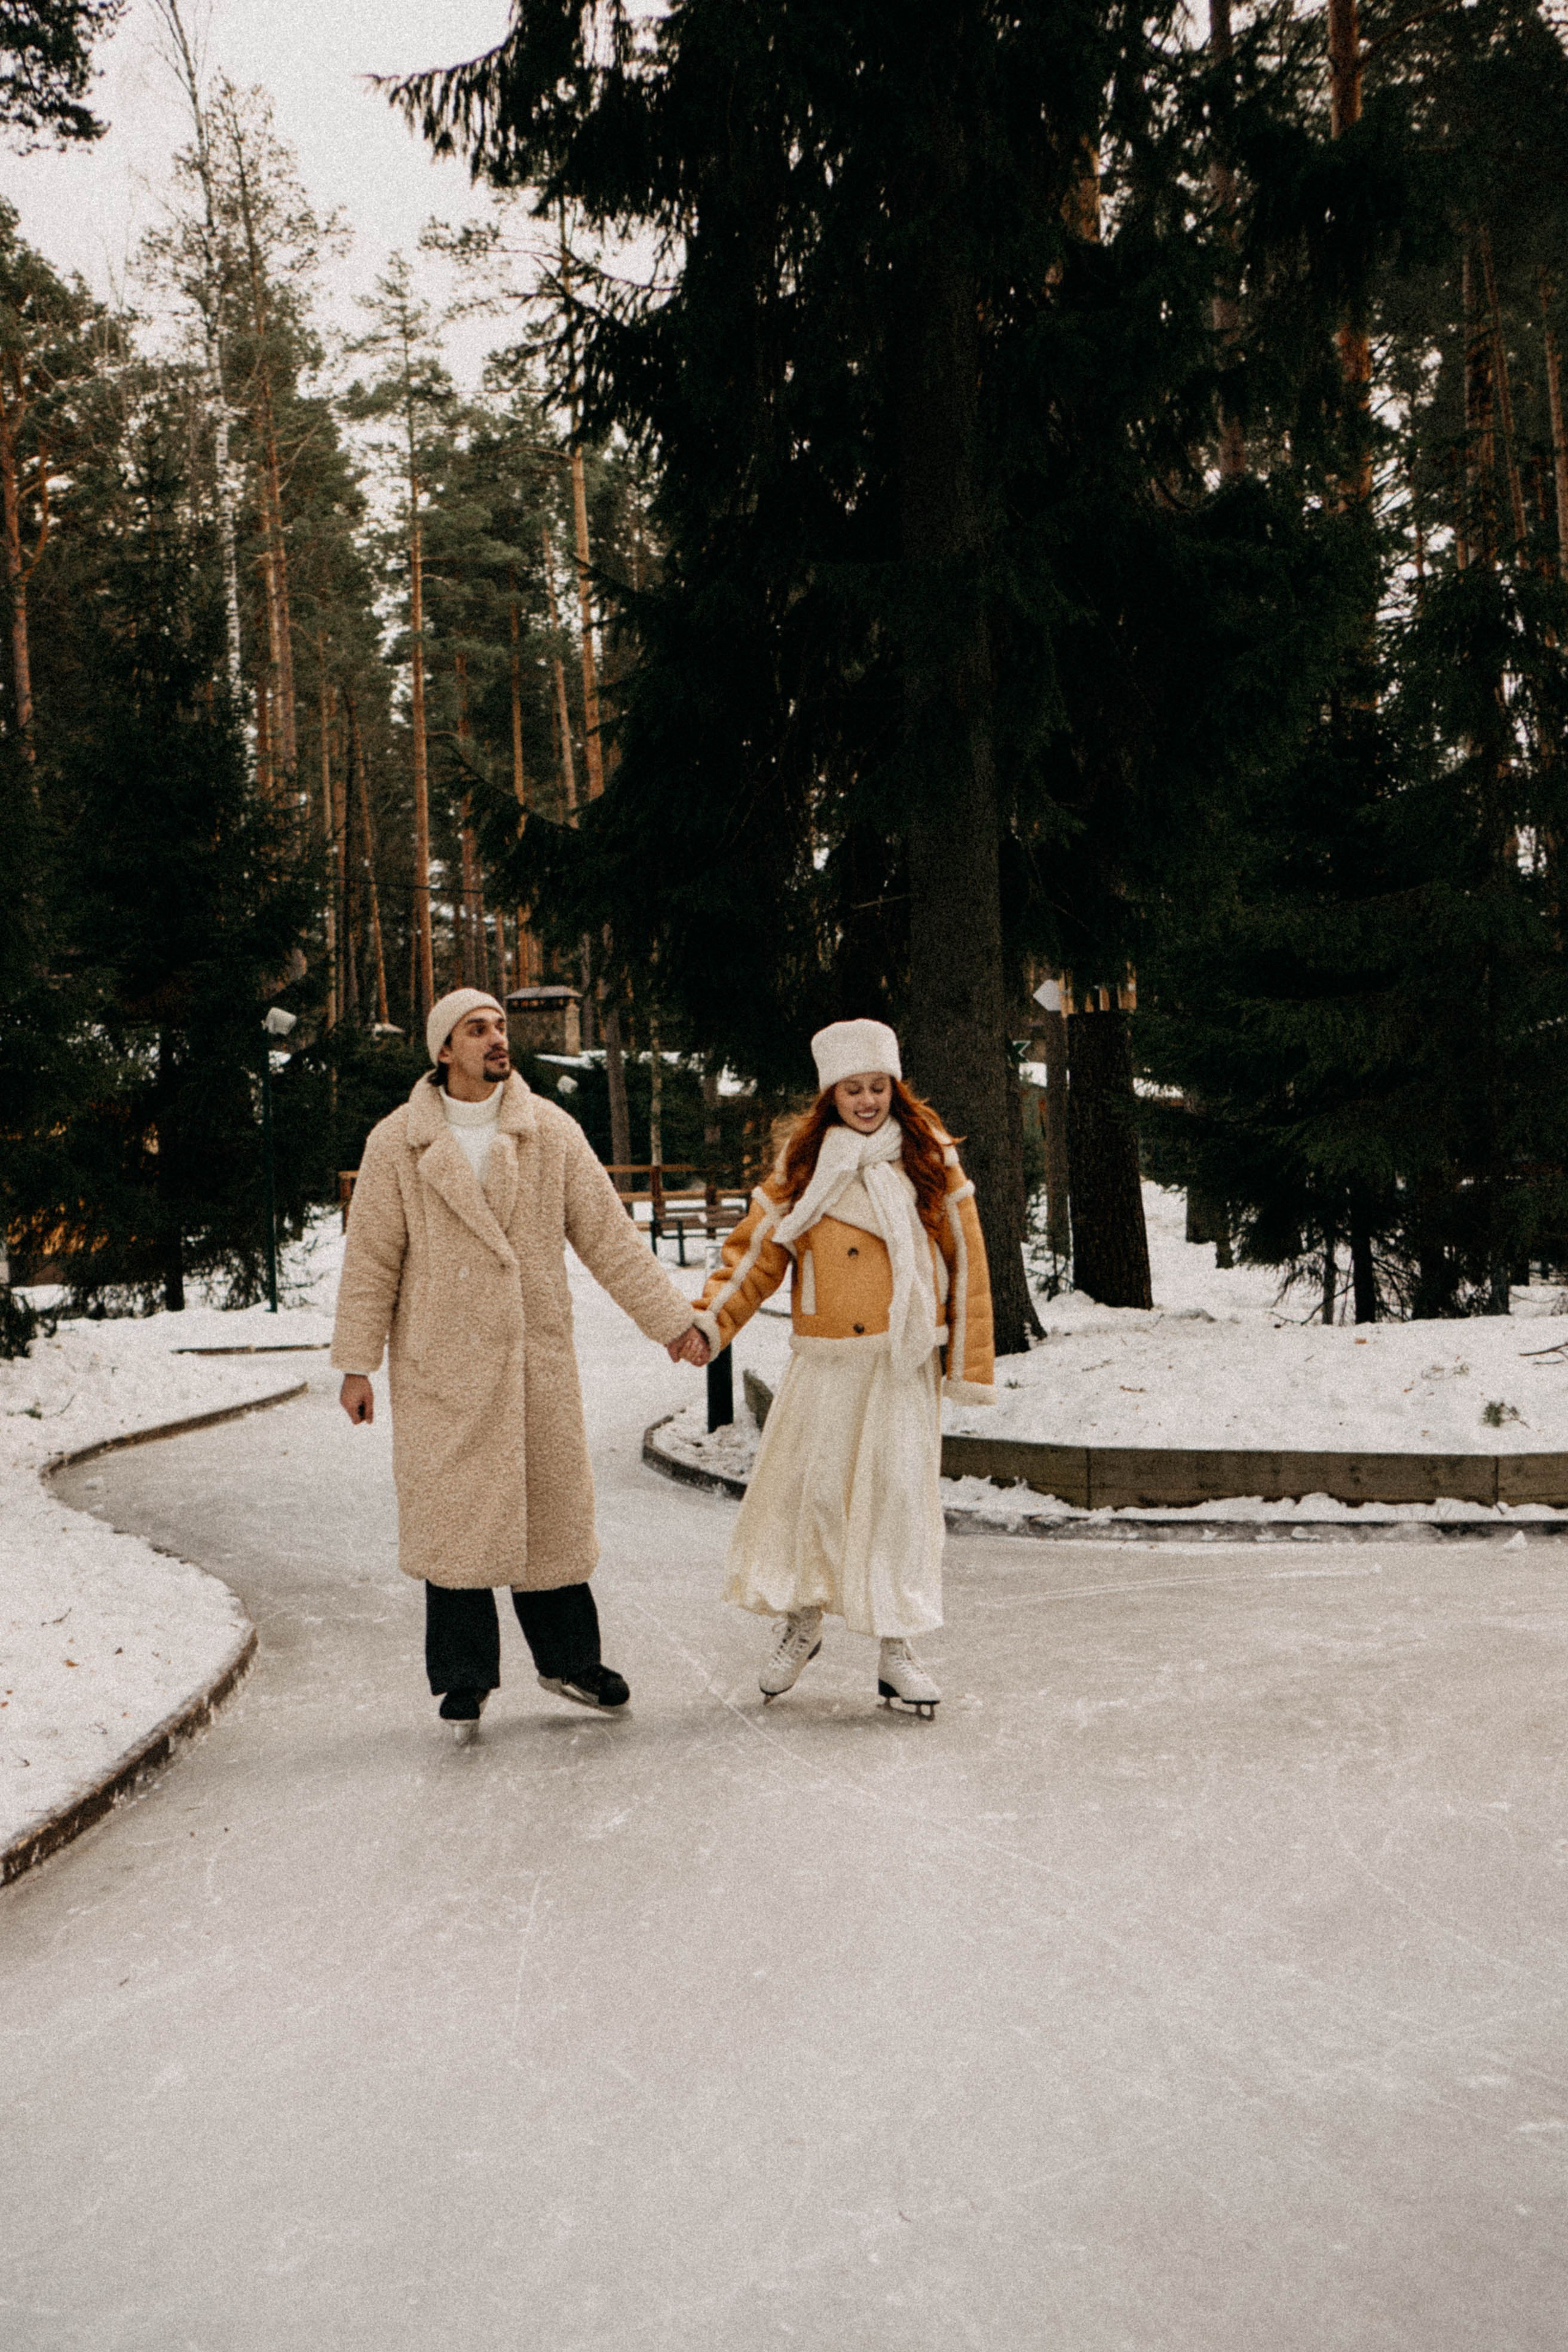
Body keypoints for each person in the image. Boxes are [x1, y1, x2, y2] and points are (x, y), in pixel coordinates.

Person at [332, 987, 710, 1745]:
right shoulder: (398, 1142)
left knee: (549, 1512)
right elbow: (371, 1258)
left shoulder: (550, 1132)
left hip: (532, 1358)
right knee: (456, 1520)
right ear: (445, 1050)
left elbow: (609, 1239)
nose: (497, 1038)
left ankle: (571, 1662)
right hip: (442, 1366)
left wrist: (671, 1323)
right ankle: (464, 1676)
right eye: (477, 1029)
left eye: (500, 1026)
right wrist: (356, 1364)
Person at [688, 1019, 994, 1716]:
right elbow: (755, 1255)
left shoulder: (929, 1157)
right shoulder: (804, 1164)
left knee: (897, 1503)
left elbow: (966, 1261)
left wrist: (968, 1362)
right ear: (831, 1095)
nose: (866, 1101)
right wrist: (710, 1321)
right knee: (811, 1497)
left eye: (877, 1086)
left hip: (899, 1361)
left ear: (894, 1088)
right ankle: (802, 1622)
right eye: (852, 1089)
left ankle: (897, 1648)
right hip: (826, 1361)